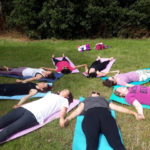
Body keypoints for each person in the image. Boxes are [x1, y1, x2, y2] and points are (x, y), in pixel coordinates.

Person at [62, 92, 141, 150]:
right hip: (90, 117)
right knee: (91, 145)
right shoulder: (86, 100)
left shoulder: (104, 100)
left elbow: (117, 107)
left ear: (99, 95)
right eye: (93, 92)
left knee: (117, 144)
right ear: (90, 95)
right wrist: (68, 119)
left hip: (105, 116)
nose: (96, 93)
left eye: (97, 93)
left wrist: (133, 113)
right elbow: (78, 111)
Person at [0, 89, 73, 143]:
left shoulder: (64, 101)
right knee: (2, 120)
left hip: (34, 115)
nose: (64, 90)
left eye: (66, 91)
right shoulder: (51, 94)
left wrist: (61, 118)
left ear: (67, 96)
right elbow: (38, 101)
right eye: (64, 89)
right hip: (25, 108)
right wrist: (21, 105)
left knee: (9, 130)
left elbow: (64, 110)